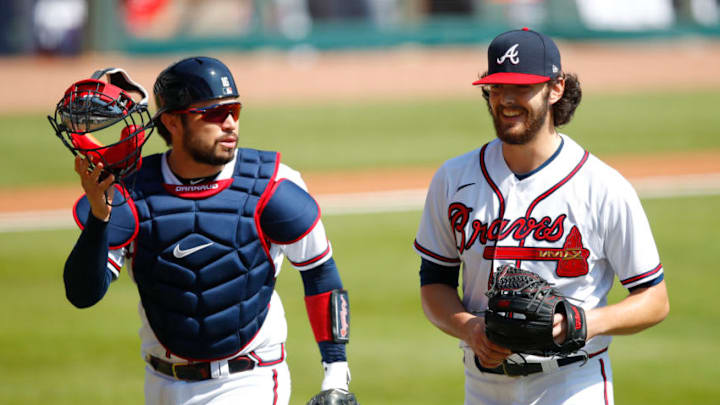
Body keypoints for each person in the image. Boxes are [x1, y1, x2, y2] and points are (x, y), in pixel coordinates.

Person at [60, 56, 357, 405]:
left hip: (249, 382)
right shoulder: (133, 193)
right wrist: (99, 216)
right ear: (171, 120)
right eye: (214, 114)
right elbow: (83, 293)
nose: (230, 124)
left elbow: (320, 272)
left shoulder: (273, 185)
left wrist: (336, 375)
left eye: (234, 111)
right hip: (160, 385)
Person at [413, 28, 669, 405]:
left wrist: (583, 322)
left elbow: (654, 299)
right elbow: (434, 283)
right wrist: (471, 330)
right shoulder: (454, 179)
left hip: (573, 383)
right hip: (483, 386)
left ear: (556, 88)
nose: (507, 100)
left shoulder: (602, 186)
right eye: (498, 87)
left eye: (522, 87)